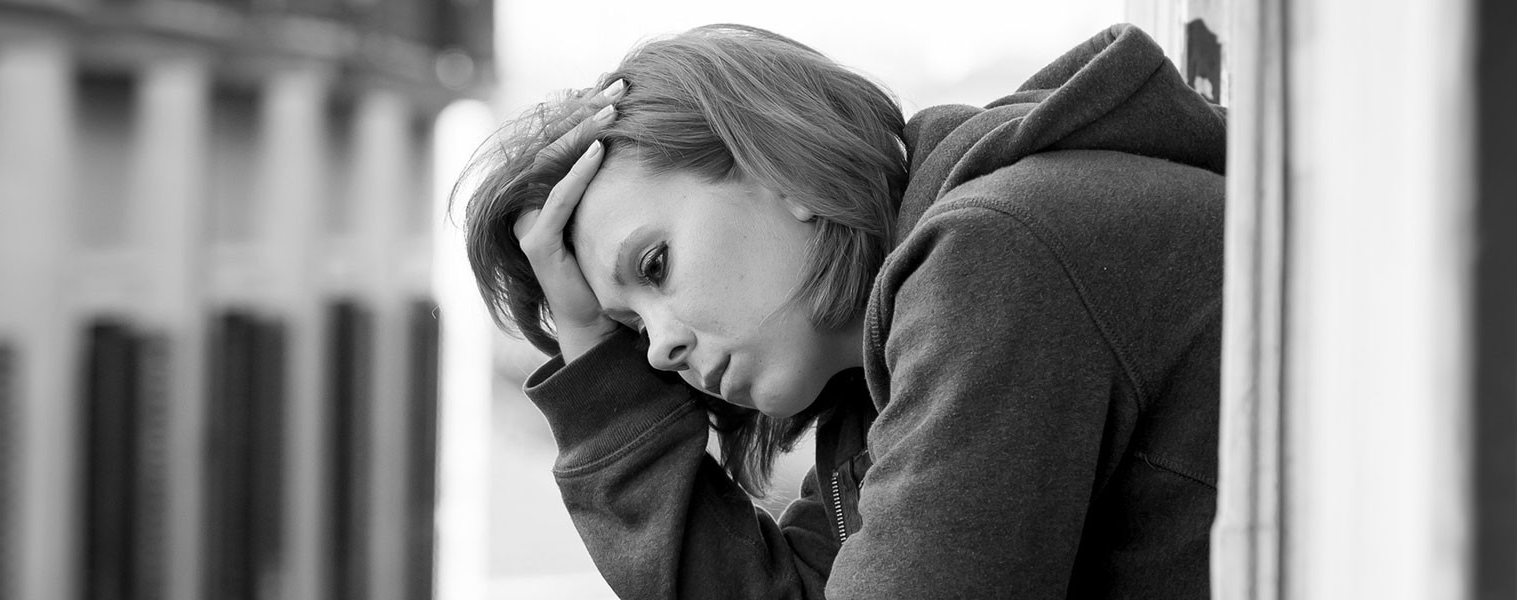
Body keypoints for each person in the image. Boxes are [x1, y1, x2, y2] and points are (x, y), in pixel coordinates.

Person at [458, 22, 1225, 599]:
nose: (658, 350)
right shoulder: (878, 382)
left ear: (777, 162)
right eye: (632, 329)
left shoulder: (996, 259)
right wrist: (593, 355)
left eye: (654, 266)